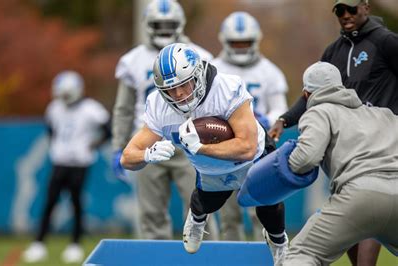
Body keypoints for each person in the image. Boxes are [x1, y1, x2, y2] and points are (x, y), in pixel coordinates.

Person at [120, 43, 288, 265]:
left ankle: (278, 242)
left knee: (269, 208)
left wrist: (201, 148)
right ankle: (197, 218)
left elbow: (247, 148)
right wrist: (147, 155)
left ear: (197, 75)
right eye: (171, 89)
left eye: (184, 85)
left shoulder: (226, 88)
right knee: (206, 203)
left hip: (254, 154)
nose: (179, 95)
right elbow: (127, 157)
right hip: (209, 166)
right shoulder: (158, 105)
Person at [269, 0, 398, 263]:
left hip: (380, 145)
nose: (345, 15)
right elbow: (312, 95)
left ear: (366, 7)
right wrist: (285, 118)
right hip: (371, 164)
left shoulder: (386, 42)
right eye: (340, 10)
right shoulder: (333, 52)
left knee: (307, 251)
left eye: (351, 9)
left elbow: (305, 157)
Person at [112, 0, 218, 240]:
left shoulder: (201, 56)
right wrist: (119, 146)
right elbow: (124, 108)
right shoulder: (133, 60)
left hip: (193, 138)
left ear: (180, 24)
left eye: (168, 24)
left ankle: (208, 258)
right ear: (148, 25)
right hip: (149, 137)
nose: (163, 29)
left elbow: (214, 100)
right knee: (151, 214)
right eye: (158, 24)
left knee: (201, 210)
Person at [284, 61, 398, 265]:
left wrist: (285, 165)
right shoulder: (384, 114)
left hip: (359, 194)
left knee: (302, 253)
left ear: (306, 95)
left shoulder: (319, 111)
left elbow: (306, 158)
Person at [211, 11, 288, 241]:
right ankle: (230, 260)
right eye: (236, 42)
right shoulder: (212, 69)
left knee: (261, 210)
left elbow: (279, 110)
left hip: (259, 149)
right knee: (228, 214)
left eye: (245, 42)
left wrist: (265, 120)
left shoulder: (270, 72)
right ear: (225, 41)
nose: (241, 47)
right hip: (225, 149)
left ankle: (263, 256)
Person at [22, 71, 110, 264]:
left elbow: (107, 129)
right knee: (50, 202)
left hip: (80, 162)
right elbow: (51, 129)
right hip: (59, 161)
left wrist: (93, 145)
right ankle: (39, 244)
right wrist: (59, 147)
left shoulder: (91, 109)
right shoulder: (54, 108)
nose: (65, 98)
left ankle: (75, 244)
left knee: (76, 203)